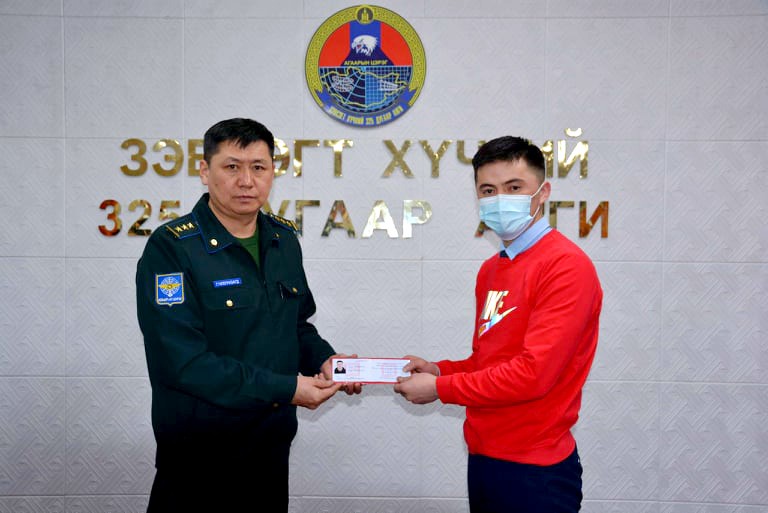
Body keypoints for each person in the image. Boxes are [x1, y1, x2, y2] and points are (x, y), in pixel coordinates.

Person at [136, 117, 360, 512]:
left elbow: (296, 325)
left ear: (273, 172)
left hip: (269, 452)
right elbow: (183, 363)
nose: (246, 181)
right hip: (198, 460)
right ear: (204, 171)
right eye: (232, 166)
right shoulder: (172, 248)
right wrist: (287, 388)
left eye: (258, 167)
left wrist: (326, 360)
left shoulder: (282, 238)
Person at [394, 136, 603, 513]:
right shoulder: (491, 269)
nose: (500, 199)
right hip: (485, 457)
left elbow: (533, 374)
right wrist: (439, 369)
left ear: (542, 193)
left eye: (514, 187)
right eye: (488, 190)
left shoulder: (565, 266)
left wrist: (440, 388)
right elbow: (488, 361)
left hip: (535, 469)